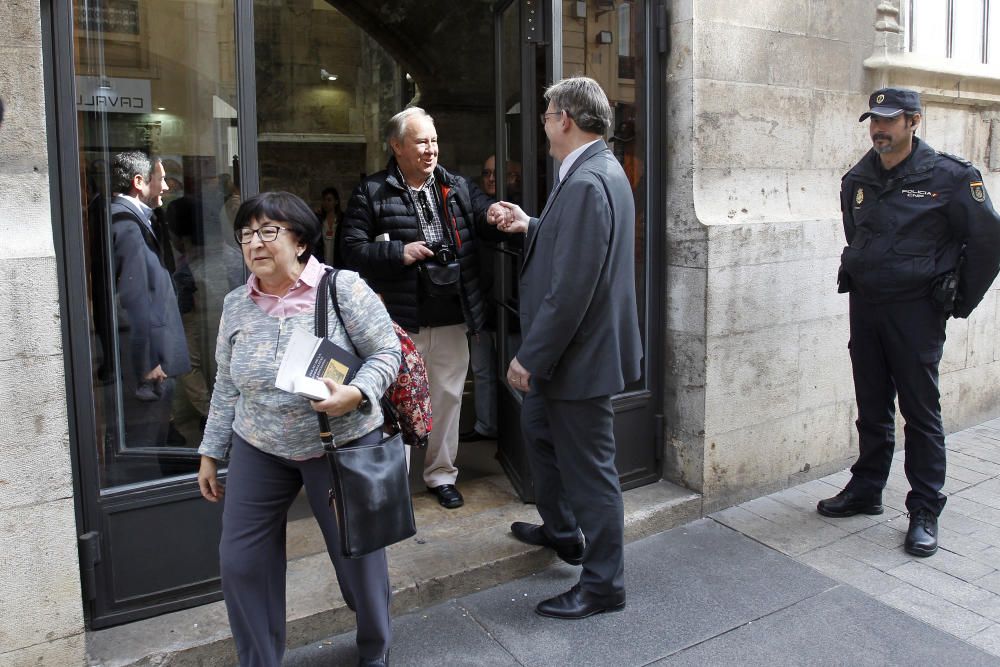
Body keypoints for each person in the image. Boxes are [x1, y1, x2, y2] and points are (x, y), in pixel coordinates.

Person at [197, 191, 400, 667]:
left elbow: (388, 353)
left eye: (269, 231)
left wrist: (358, 392)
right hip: (260, 444)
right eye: (246, 234)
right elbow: (227, 383)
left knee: (358, 561)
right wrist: (211, 450)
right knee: (241, 561)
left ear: (301, 241)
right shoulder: (235, 304)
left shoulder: (341, 288)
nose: (255, 244)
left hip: (342, 442)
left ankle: (375, 648)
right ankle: (259, 659)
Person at [818, 88, 1000, 557]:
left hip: (917, 311)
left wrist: (957, 301)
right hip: (869, 305)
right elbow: (856, 230)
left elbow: (987, 243)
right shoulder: (859, 176)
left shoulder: (952, 178)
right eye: (874, 121)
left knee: (920, 414)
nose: (879, 129)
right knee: (872, 405)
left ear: (913, 121)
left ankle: (924, 509)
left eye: (889, 120)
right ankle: (866, 489)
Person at [487, 76, 642, 618]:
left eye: (548, 113)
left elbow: (572, 287)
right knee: (538, 434)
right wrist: (529, 224)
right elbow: (579, 246)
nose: (545, 122)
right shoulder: (595, 169)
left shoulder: (585, 180)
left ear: (566, 120)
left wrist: (531, 357)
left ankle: (603, 585)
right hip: (576, 356)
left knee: (591, 472)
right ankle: (562, 532)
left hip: (576, 359)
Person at [341, 107, 497, 509]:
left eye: (434, 141)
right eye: (421, 142)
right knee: (394, 404)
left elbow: (482, 217)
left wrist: (498, 213)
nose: (430, 150)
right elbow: (349, 251)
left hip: (450, 315)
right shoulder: (372, 192)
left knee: (448, 399)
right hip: (397, 321)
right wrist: (399, 252)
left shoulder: (457, 187)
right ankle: (395, 485)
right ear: (397, 146)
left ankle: (441, 475)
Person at [109, 151, 192, 448]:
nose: (167, 187)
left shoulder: (131, 219)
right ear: (139, 182)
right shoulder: (126, 224)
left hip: (152, 354)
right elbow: (136, 297)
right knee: (148, 437)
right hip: (150, 363)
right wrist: (149, 361)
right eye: (162, 179)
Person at [459, 155, 521, 443]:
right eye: (486, 173)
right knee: (482, 371)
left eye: (500, 173)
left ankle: (516, 435)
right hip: (482, 308)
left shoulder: (522, 213)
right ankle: (486, 425)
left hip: (513, 311)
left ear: (515, 177)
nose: (491, 178)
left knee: (515, 373)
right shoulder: (474, 211)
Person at [316, 186, 345, 266]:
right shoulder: (319, 219)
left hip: (339, 261)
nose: (326, 203)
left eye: (329, 200)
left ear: (336, 202)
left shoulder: (343, 219)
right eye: (324, 200)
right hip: (322, 260)